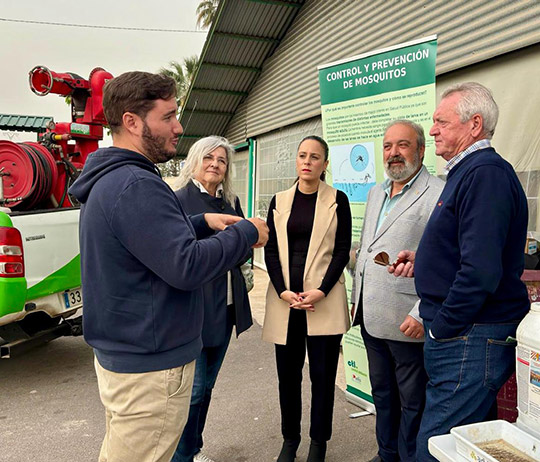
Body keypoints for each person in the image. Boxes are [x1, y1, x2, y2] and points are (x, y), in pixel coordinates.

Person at [68, 71, 268, 462]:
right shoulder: (136, 185)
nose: (179, 127)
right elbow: (186, 265)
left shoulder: (114, 180)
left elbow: (145, 242)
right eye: (168, 116)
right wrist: (245, 233)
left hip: (128, 357)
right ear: (132, 121)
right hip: (150, 370)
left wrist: (200, 222)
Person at [390, 82, 530, 461]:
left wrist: (443, 326)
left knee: (435, 447)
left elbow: (481, 271)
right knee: (466, 447)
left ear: (474, 125)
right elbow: (470, 249)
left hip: (467, 337)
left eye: (441, 122)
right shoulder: (468, 173)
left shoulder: (485, 174)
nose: (432, 130)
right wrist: (425, 261)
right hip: (467, 336)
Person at [351, 120, 444, 462]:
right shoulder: (377, 191)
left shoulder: (438, 193)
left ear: (421, 149)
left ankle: (408, 457)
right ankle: (386, 453)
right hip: (371, 316)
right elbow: (367, 248)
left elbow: (445, 258)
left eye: (402, 145)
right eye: (388, 146)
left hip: (408, 320)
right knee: (382, 394)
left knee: (412, 401)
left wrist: (422, 311)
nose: (393, 153)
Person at [263, 135, 352, 462]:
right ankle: (290, 439)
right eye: (303, 155)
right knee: (288, 377)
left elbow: (342, 250)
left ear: (325, 164)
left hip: (322, 302)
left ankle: (318, 443)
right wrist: (283, 289)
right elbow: (270, 249)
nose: (307, 161)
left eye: (315, 157)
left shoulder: (337, 200)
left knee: (323, 378)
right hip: (286, 303)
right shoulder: (279, 200)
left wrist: (322, 289)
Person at [171, 136, 253, 462]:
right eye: (209, 158)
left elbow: (244, 248)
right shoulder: (178, 200)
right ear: (195, 160)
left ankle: (194, 449)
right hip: (194, 310)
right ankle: (181, 455)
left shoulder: (230, 202)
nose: (215, 165)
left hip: (227, 306)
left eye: (221, 160)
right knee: (191, 392)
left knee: (205, 390)